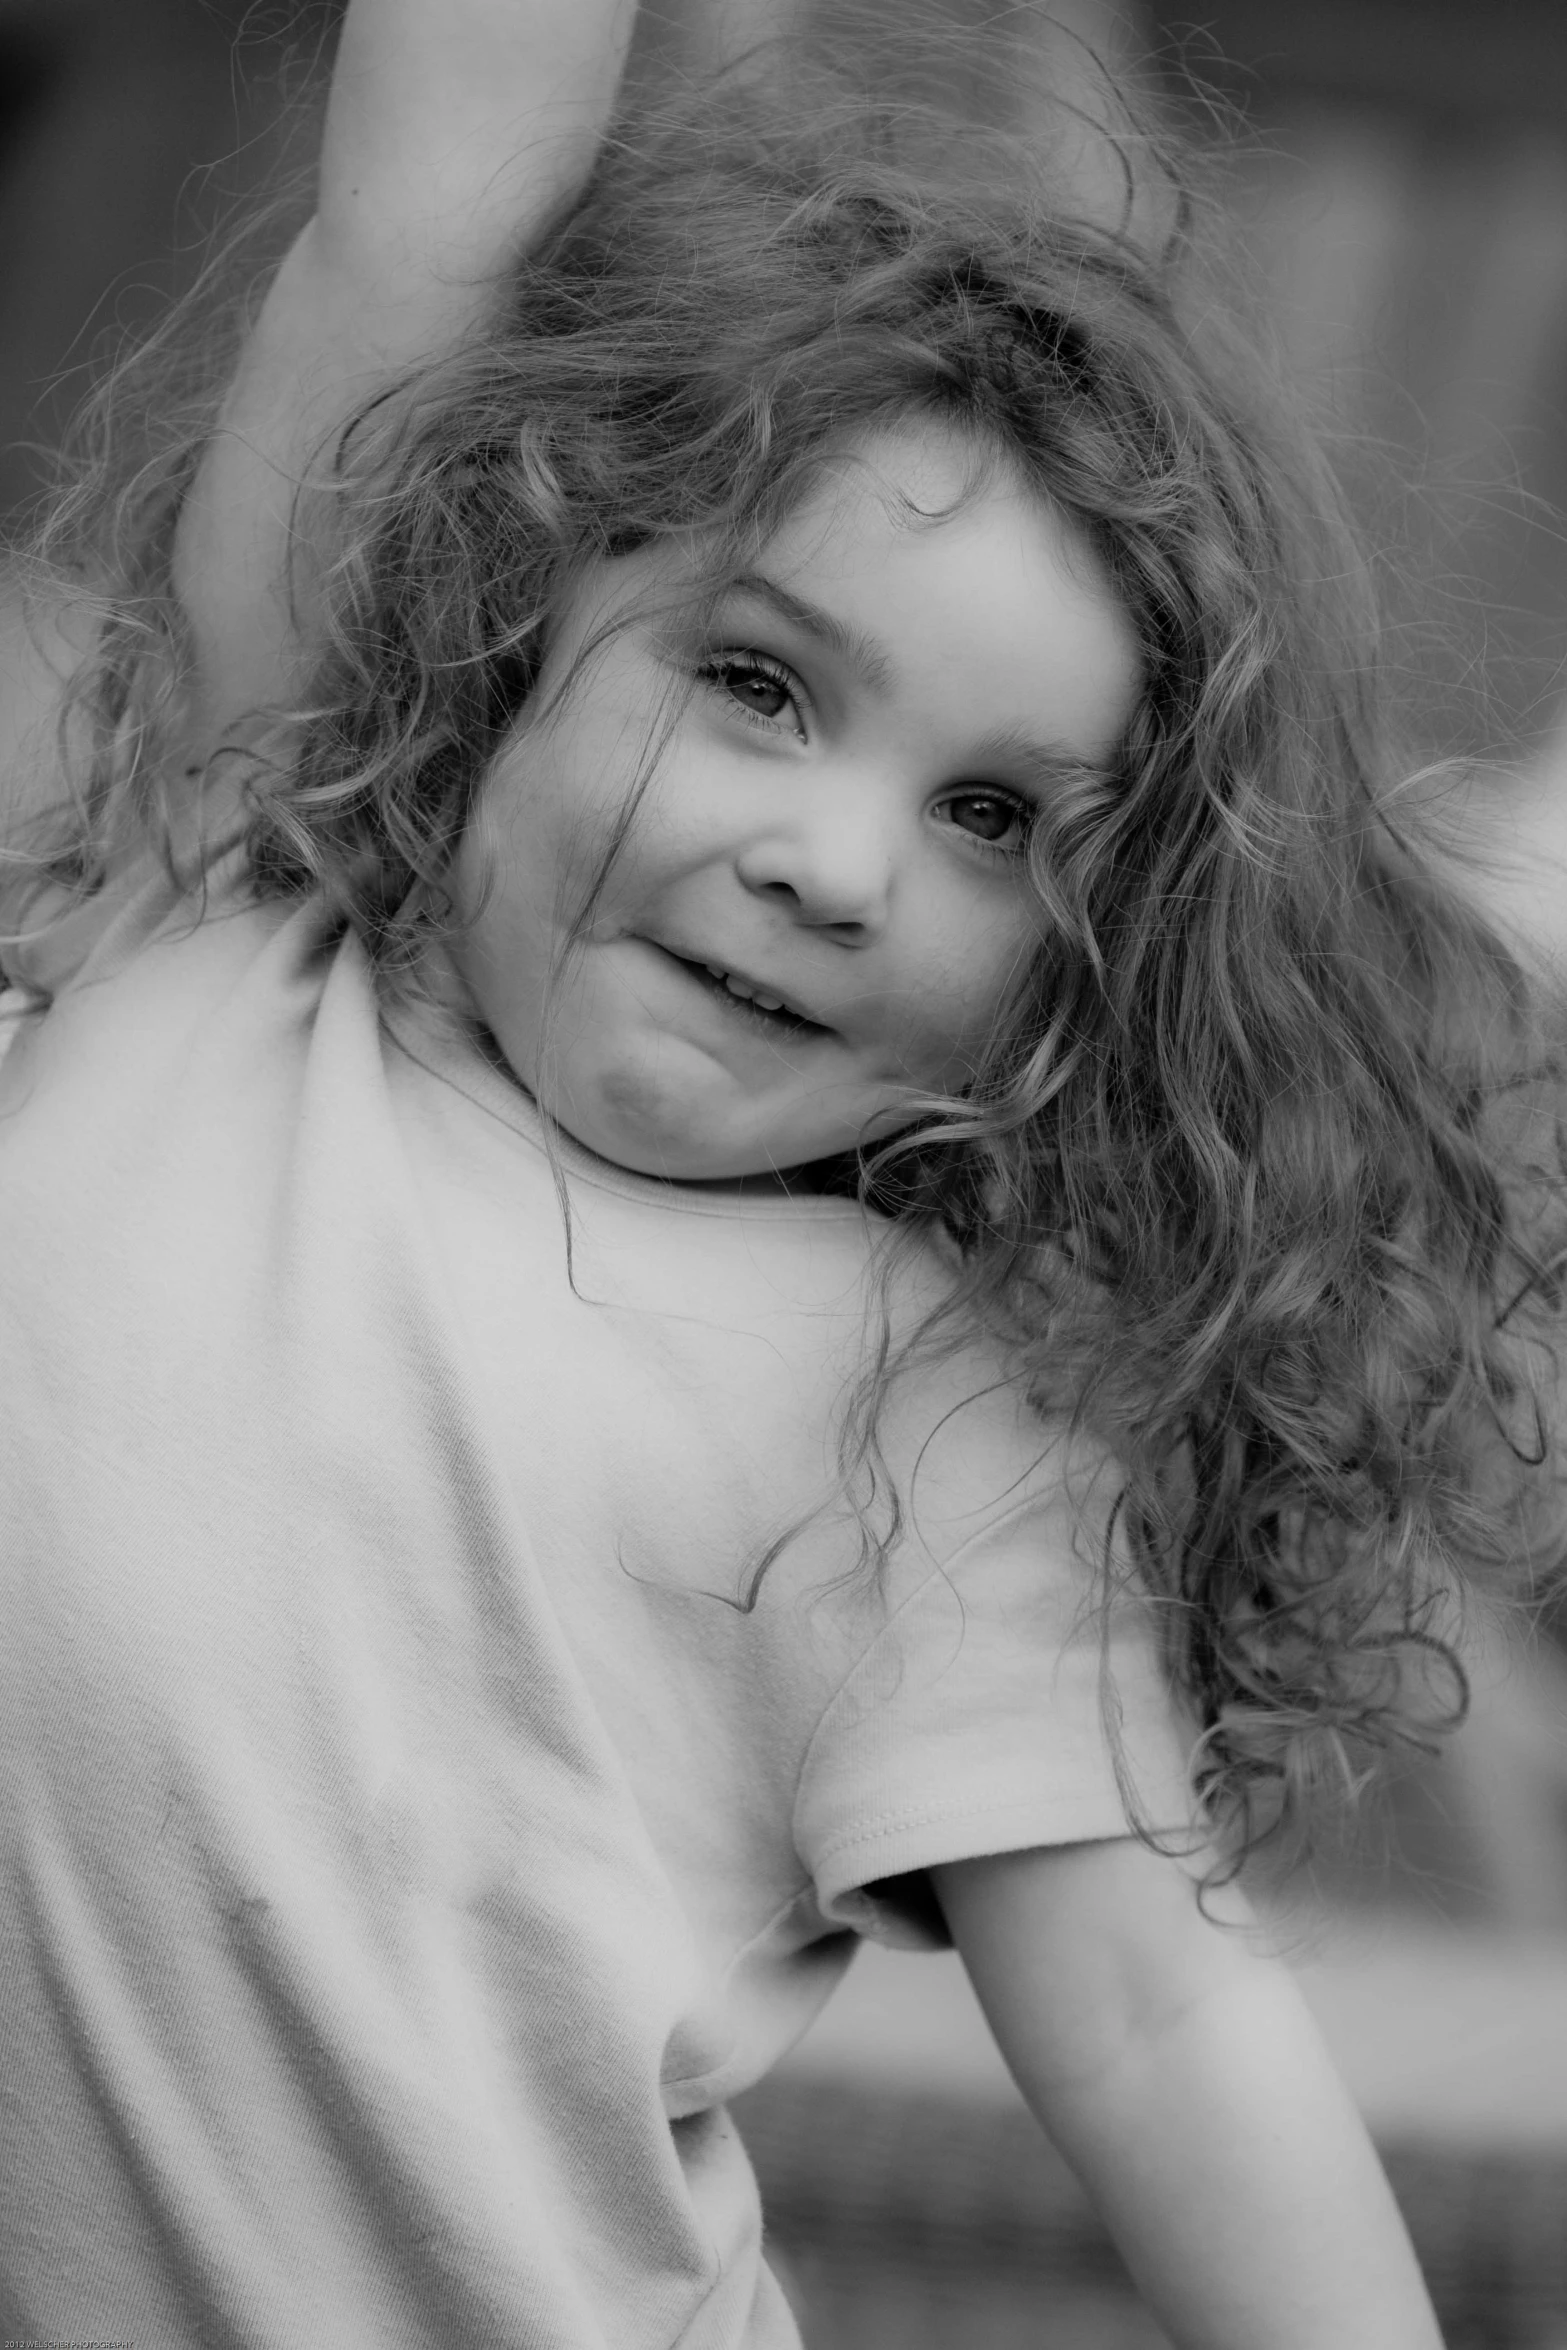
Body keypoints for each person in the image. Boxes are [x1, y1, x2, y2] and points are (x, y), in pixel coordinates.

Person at [1, 2, 1561, 2344]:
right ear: (518, 606)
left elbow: (1160, 2027)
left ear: (1090, 969)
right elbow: (418, 208)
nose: (836, 865)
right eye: (759, 681)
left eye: (992, 818)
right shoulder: (239, 891)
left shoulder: (918, 1420)